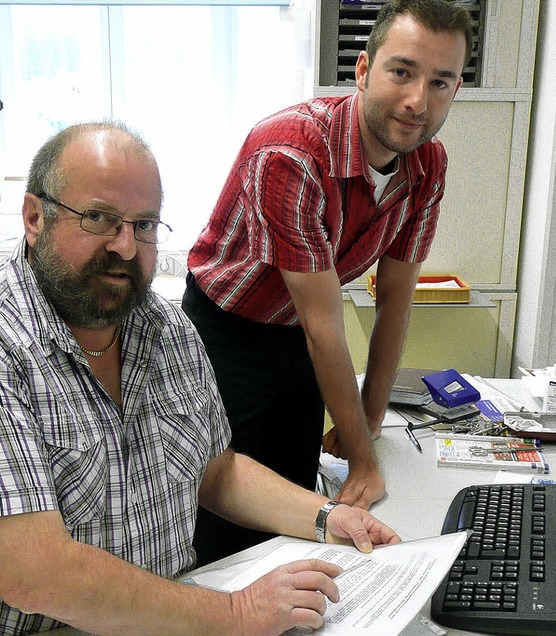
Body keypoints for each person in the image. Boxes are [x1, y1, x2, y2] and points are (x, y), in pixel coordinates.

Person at [0, 122, 400, 636]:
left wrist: (327, 517)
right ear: (35, 218)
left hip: (164, 617)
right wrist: (237, 614)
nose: (126, 247)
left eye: (144, 224)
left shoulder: (163, 326)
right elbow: (36, 576)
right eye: (99, 218)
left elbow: (216, 471)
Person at [182, 0, 472, 565]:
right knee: (220, 502)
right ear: (363, 70)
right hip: (227, 329)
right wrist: (363, 458)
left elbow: (395, 299)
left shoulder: (428, 165)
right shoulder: (291, 150)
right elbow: (324, 325)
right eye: (402, 71)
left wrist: (365, 418)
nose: (418, 101)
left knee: (295, 504)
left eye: (441, 81)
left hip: (299, 331)